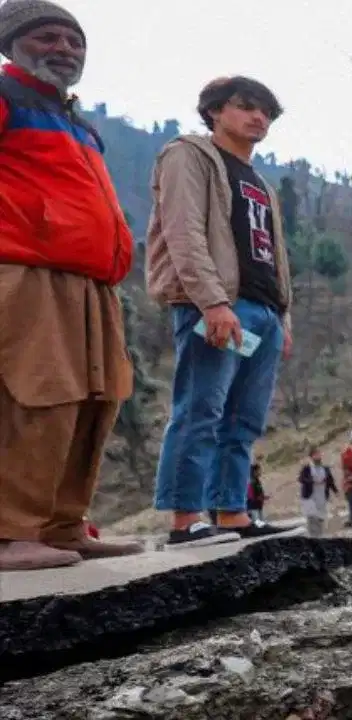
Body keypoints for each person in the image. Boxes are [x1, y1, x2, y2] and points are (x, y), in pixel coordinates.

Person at [0, 1, 144, 570]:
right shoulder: (6, 98)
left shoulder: (76, 121)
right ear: (12, 43)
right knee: (37, 397)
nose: (65, 48)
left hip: (92, 282)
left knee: (96, 399)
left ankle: (63, 526)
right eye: (48, 37)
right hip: (27, 271)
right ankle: (11, 532)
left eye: (74, 40)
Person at [147, 76, 295, 547]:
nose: (258, 118)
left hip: (263, 312)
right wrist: (211, 302)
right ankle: (186, 518)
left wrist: (282, 318)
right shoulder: (188, 155)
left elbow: (274, 253)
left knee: (244, 419)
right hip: (215, 305)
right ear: (213, 111)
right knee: (200, 409)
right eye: (246, 107)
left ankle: (232, 512)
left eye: (267, 113)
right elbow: (183, 231)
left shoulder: (261, 183)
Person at [297, 445, 337, 538]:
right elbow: (301, 479)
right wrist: (312, 481)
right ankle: (313, 537)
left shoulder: (325, 468)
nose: (318, 456)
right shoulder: (307, 468)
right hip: (309, 496)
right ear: (311, 456)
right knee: (312, 517)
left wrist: (335, 491)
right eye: (316, 454)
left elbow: (330, 481)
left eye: (319, 454)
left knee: (320, 517)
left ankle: (319, 536)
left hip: (321, 495)